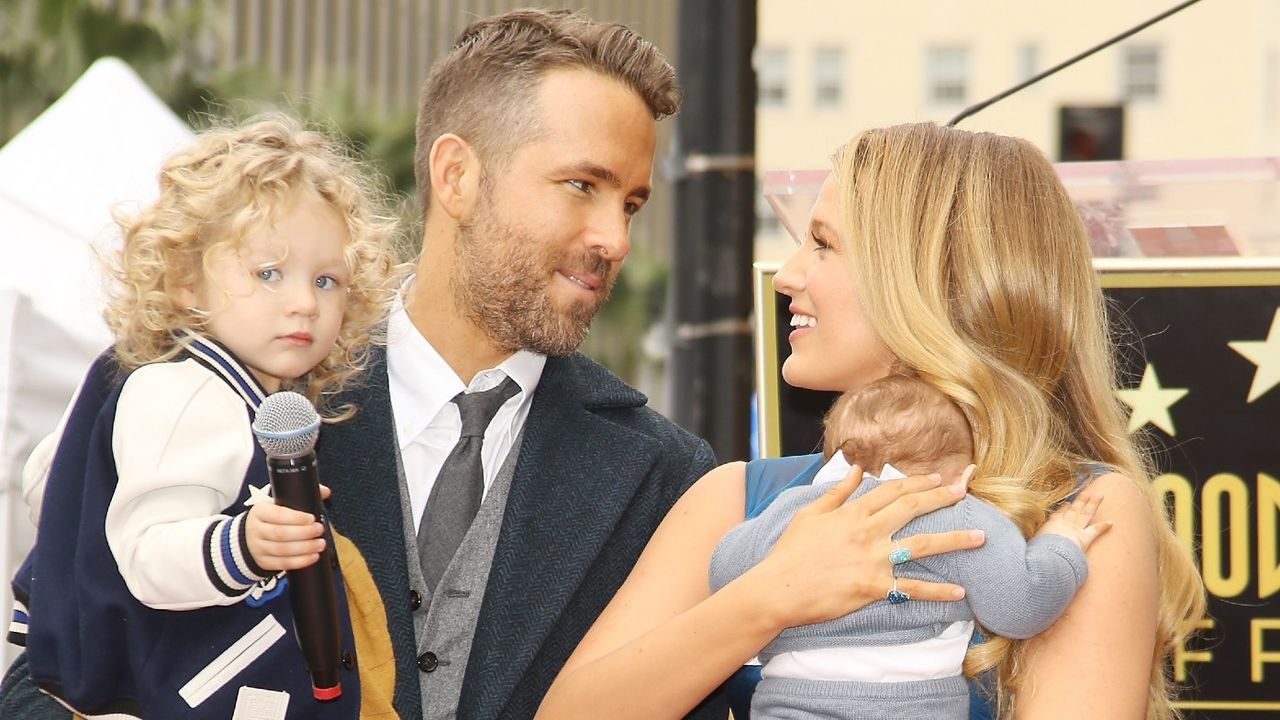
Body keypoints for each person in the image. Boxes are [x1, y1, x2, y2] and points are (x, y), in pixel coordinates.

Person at [536, 122, 1206, 720]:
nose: (786, 276)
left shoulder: (1080, 512)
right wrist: (773, 596)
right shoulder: (732, 499)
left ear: (929, 282)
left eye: (823, 244)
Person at [5, 114, 401, 718]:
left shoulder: (150, 378)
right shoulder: (192, 393)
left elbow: (48, 479)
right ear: (187, 280)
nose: (303, 302)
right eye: (269, 273)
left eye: (327, 280)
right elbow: (147, 555)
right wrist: (243, 541)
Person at [711, 373, 1110, 718]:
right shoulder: (961, 514)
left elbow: (723, 574)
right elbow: (1021, 607)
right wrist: (1062, 544)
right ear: (964, 476)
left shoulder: (797, 510)